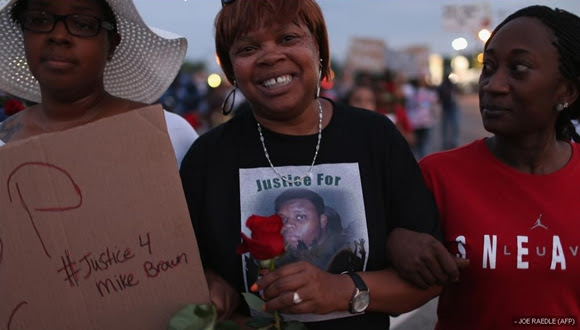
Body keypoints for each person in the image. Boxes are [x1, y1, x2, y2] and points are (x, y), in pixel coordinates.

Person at [180, 1, 461, 328]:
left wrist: (343, 290)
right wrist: (213, 290)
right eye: (248, 47)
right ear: (231, 69)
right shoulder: (208, 157)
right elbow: (185, 268)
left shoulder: (375, 137)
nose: (271, 56)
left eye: (287, 38)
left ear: (319, 49)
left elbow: (429, 280)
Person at [419, 5, 580, 329]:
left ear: (566, 91)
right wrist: (397, 241)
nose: (493, 85)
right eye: (488, 67)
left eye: (518, 69)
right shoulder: (438, 176)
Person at [0, 0, 198, 168]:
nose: (58, 36)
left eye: (83, 24)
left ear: (111, 44)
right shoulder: (3, 142)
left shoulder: (170, 136)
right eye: (39, 20)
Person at [437, 74, 459, 150]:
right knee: (447, 126)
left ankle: (451, 142)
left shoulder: (450, 85)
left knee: (453, 126)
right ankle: (446, 142)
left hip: (451, 107)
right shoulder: (443, 87)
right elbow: (439, 99)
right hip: (446, 107)